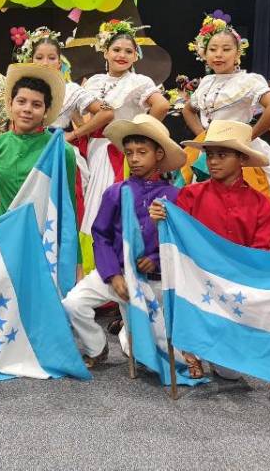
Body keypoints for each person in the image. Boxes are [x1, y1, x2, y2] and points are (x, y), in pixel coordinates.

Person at [148, 119, 270, 379]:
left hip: (234, 290)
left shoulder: (262, 203)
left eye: (222, 155)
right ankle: (187, 345)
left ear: (242, 159)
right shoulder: (190, 195)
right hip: (194, 286)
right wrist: (159, 218)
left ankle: (206, 344)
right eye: (210, 155)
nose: (213, 161)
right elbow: (174, 240)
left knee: (232, 375)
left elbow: (260, 253)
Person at [61, 114, 185, 368]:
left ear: (159, 154)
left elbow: (180, 241)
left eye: (142, 152)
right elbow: (101, 235)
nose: (134, 158)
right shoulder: (115, 192)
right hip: (115, 274)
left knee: (146, 356)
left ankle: (131, 337)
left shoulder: (174, 196)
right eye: (129, 153)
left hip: (153, 282)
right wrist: (112, 275)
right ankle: (96, 347)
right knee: (73, 303)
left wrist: (155, 259)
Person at [71, 20, 169, 260]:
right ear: (105, 52)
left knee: (106, 202)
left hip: (118, 150)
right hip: (93, 148)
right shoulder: (94, 81)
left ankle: (113, 259)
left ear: (136, 56)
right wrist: (82, 129)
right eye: (116, 50)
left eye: (128, 51)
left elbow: (162, 106)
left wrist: (139, 136)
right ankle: (90, 263)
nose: (122, 55)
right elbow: (83, 115)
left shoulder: (140, 82)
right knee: (89, 201)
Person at [181, 13, 270, 205]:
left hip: (240, 152)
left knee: (243, 204)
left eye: (226, 49)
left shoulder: (248, 81)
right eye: (213, 49)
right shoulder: (206, 82)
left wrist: (248, 137)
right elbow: (188, 110)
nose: (218, 54)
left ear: (237, 53)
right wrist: (203, 137)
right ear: (204, 54)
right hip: (210, 151)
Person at [0, 64, 76, 215]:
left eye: (36, 105)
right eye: (21, 101)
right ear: (10, 104)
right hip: (4, 228)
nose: (27, 109)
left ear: (46, 111)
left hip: (44, 229)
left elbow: (67, 206)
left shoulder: (62, 151)